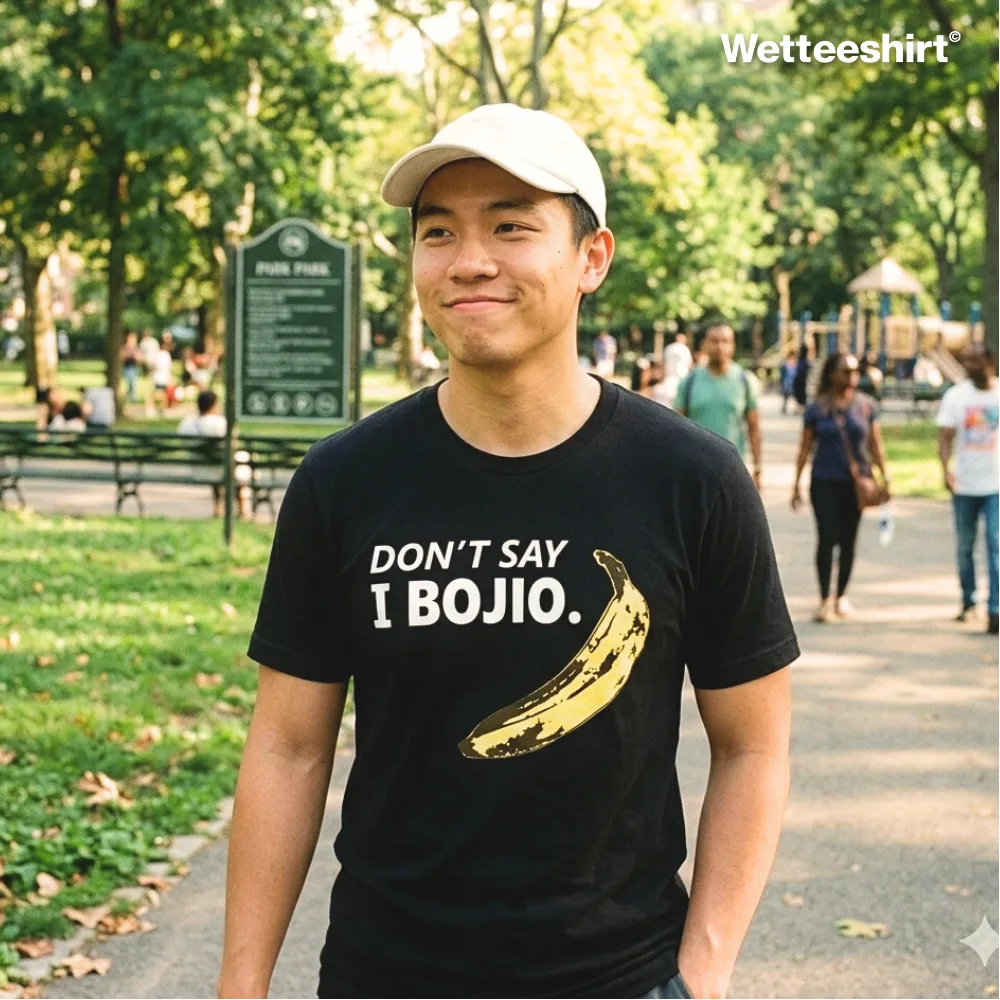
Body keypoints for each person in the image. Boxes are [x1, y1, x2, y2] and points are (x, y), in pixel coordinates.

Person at [220, 102, 798, 1000]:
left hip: (621, 978)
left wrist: (704, 974)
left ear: (590, 260)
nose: (469, 260)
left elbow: (754, 747)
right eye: (438, 231)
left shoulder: (691, 479)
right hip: (384, 977)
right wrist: (240, 986)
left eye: (512, 226)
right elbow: (290, 749)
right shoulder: (344, 482)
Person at [790, 352, 890, 623]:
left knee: (849, 540)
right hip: (824, 480)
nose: (851, 376)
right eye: (845, 371)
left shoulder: (866, 406)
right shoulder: (817, 408)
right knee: (827, 537)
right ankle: (824, 599)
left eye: (855, 371)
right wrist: (796, 483)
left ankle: (841, 596)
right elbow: (805, 447)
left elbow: (875, 445)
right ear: (831, 373)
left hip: (855, 484)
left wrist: (885, 476)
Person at [936, 344, 999, 634]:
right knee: (965, 546)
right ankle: (968, 600)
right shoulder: (956, 396)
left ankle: (995, 608)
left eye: (975, 360)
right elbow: (946, 437)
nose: (969, 366)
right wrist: (945, 470)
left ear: (990, 360)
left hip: (995, 485)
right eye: (966, 361)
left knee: (996, 546)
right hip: (965, 484)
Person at [676, 324, 763, 489]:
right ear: (704, 345)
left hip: (733, 471)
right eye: (714, 341)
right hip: (695, 471)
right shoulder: (689, 382)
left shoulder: (745, 381)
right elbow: (676, 428)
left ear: (733, 346)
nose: (720, 346)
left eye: (725, 341)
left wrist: (758, 468)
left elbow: (754, 427)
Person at [177, 390, 250, 519]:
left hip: (198, 468)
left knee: (220, 466)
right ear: (214, 405)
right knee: (240, 462)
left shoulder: (187, 423)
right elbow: (234, 443)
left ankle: (218, 507)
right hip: (223, 469)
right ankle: (242, 508)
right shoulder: (221, 423)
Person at [662, 332, 693, 409]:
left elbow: (664, 362)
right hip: (682, 376)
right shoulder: (684, 349)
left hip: (669, 376)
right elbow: (689, 363)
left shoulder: (669, 348)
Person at [149, 338, 174, 415]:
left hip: (160, 376)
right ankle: (159, 408)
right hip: (161, 376)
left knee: (160, 393)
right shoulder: (164, 355)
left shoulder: (160, 354)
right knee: (160, 393)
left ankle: (160, 408)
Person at [120, 332, 142, 404]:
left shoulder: (136, 348)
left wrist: (135, 356)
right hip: (127, 366)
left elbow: (140, 358)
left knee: (132, 382)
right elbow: (121, 357)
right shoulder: (125, 347)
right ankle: (129, 397)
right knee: (129, 382)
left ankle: (132, 397)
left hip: (134, 367)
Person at [779, 349, 797, 414]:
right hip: (787, 382)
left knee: (795, 396)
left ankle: (796, 408)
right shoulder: (785, 364)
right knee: (786, 396)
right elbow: (782, 374)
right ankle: (784, 408)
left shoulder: (795, 364)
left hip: (793, 382)